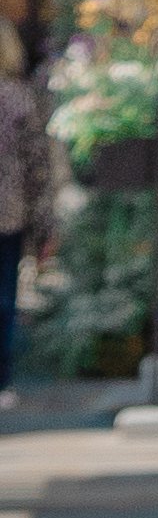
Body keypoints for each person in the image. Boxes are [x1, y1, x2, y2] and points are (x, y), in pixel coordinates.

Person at [0, 22, 46, 408]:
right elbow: (36, 163)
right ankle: (2, 381)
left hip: (10, 209)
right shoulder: (18, 98)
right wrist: (42, 215)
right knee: (4, 297)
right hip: (8, 212)